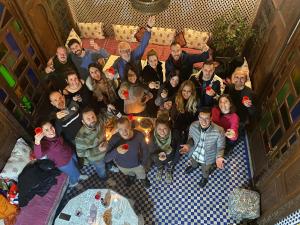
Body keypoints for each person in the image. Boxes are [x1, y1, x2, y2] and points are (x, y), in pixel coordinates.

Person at [180, 107, 225, 188]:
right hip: (194, 153)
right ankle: (194, 166)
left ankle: (205, 178)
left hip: (207, 158)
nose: (203, 121)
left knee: (205, 170)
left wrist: (219, 157)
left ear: (211, 118)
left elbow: (220, 146)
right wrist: (188, 145)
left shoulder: (219, 131)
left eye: (207, 118)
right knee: (194, 163)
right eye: (201, 118)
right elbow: (191, 138)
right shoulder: (193, 125)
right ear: (198, 117)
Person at [34, 121, 88, 187]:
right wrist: (37, 142)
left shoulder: (56, 133)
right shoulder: (45, 144)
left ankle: (79, 175)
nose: (51, 130)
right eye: (46, 130)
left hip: (70, 154)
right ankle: (73, 183)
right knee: (73, 174)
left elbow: (59, 123)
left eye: (51, 127)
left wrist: (57, 118)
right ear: (42, 133)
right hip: (64, 163)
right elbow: (38, 156)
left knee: (76, 167)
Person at [105, 117, 150, 187]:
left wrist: (143, 163)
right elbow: (106, 159)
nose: (124, 132)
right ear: (117, 130)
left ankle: (143, 180)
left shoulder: (139, 135)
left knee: (142, 174)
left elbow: (145, 149)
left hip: (137, 165)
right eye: (121, 130)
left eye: (126, 128)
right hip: (122, 166)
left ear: (130, 126)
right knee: (129, 174)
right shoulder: (114, 139)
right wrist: (116, 151)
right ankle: (131, 177)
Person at [75, 107, 114, 180]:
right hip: (96, 159)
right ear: (83, 122)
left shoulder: (99, 121)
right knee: (101, 168)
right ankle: (104, 178)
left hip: (106, 150)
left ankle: (110, 166)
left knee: (108, 160)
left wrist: (109, 111)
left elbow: (107, 117)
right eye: (88, 119)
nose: (92, 120)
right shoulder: (80, 137)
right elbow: (81, 154)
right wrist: (98, 150)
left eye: (93, 117)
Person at [113, 16, 155, 81]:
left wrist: (149, 27)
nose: (127, 53)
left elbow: (143, 44)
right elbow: (111, 70)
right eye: (123, 51)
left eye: (128, 50)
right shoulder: (118, 62)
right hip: (126, 85)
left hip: (139, 81)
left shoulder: (135, 54)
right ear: (120, 52)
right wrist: (109, 73)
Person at [149, 118, 180, 183]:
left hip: (171, 157)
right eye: (159, 129)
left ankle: (168, 171)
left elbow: (178, 149)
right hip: (158, 158)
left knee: (170, 165)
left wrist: (174, 161)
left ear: (169, 128)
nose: (162, 132)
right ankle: (160, 168)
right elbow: (151, 152)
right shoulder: (152, 136)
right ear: (156, 129)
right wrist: (158, 156)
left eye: (165, 129)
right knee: (158, 164)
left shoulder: (175, 134)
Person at [141, 49, 163, 117]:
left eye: (155, 60)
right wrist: (149, 84)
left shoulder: (159, 66)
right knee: (152, 110)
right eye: (151, 61)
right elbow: (144, 83)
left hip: (159, 90)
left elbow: (161, 78)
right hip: (150, 93)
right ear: (148, 61)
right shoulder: (146, 70)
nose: (154, 63)